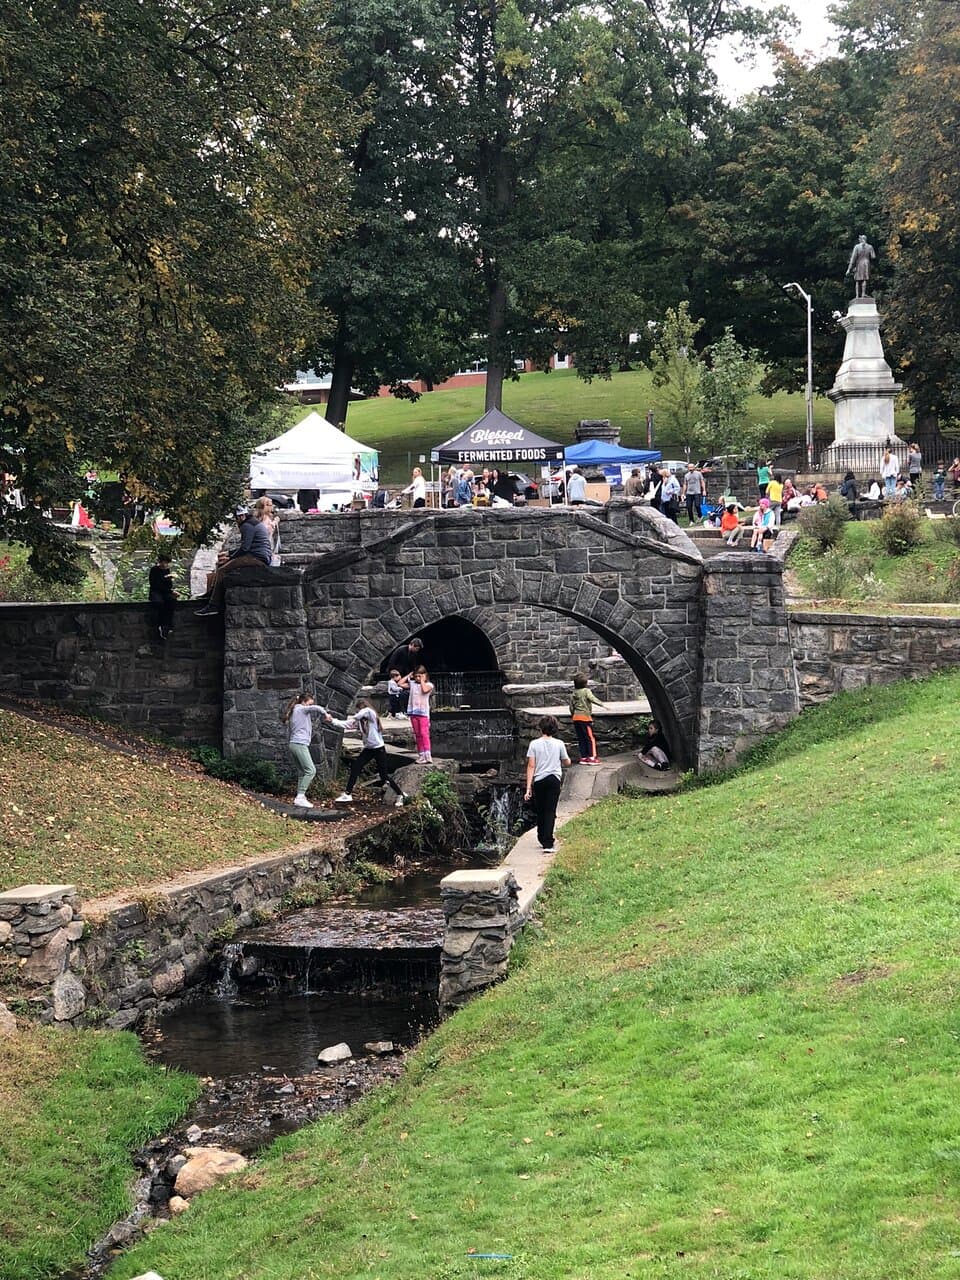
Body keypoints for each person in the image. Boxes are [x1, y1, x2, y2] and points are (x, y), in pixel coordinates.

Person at [329, 698, 408, 807]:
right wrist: (332, 721)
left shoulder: (372, 716)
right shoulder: (361, 722)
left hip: (378, 748)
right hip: (368, 749)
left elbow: (366, 711)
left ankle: (400, 794)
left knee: (384, 776)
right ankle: (348, 793)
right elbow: (346, 724)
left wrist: (357, 716)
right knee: (356, 767)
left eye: (358, 711)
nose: (357, 714)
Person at [195, 505, 272, 616]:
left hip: (256, 557)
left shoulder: (247, 525)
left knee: (222, 570)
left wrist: (230, 558)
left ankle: (213, 605)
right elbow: (247, 546)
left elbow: (245, 548)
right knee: (223, 563)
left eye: (236, 518)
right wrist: (229, 553)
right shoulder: (253, 522)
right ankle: (212, 592)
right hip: (259, 555)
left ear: (240, 517)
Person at [523, 715, 571, 853]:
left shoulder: (534, 744)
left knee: (541, 810)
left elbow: (531, 766)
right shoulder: (559, 744)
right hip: (554, 779)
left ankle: (541, 836)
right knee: (550, 810)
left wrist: (528, 788)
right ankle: (548, 843)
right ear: (555, 729)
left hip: (539, 780)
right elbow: (566, 761)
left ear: (540, 728)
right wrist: (566, 761)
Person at [282, 692, 329, 808]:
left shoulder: (295, 710)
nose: (309, 707)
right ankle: (300, 797)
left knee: (302, 772)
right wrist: (326, 714)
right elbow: (316, 708)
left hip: (294, 744)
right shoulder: (301, 709)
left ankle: (300, 797)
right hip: (299, 744)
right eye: (309, 704)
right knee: (311, 770)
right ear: (303, 702)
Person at [569, 672, 604, 764]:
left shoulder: (574, 693)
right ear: (585, 683)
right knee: (590, 738)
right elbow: (592, 699)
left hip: (576, 718)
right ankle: (592, 758)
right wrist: (602, 704)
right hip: (585, 718)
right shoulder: (586, 691)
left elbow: (571, 707)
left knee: (581, 738)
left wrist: (573, 715)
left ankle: (584, 757)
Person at [407, 665, 435, 763]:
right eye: (416, 677)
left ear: (425, 675)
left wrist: (423, 680)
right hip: (413, 712)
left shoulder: (430, 685)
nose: (418, 678)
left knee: (424, 734)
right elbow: (400, 683)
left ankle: (428, 755)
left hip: (423, 714)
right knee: (418, 734)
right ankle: (421, 755)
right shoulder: (412, 684)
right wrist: (408, 676)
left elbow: (425, 690)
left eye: (420, 676)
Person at [148, 550, 177, 641]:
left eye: (166, 563)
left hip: (165, 592)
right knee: (158, 603)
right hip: (156, 592)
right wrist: (165, 579)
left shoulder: (167, 570)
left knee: (171, 601)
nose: (165, 565)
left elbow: (168, 586)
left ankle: (168, 625)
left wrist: (171, 588)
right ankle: (159, 625)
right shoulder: (154, 570)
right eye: (163, 562)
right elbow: (155, 585)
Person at [253, 495, 281, 565]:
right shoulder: (265, 518)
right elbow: (267, 530)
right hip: (265, 546)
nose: (272, 507)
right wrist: (275, 522)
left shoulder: (257, 517)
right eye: (270, 505)